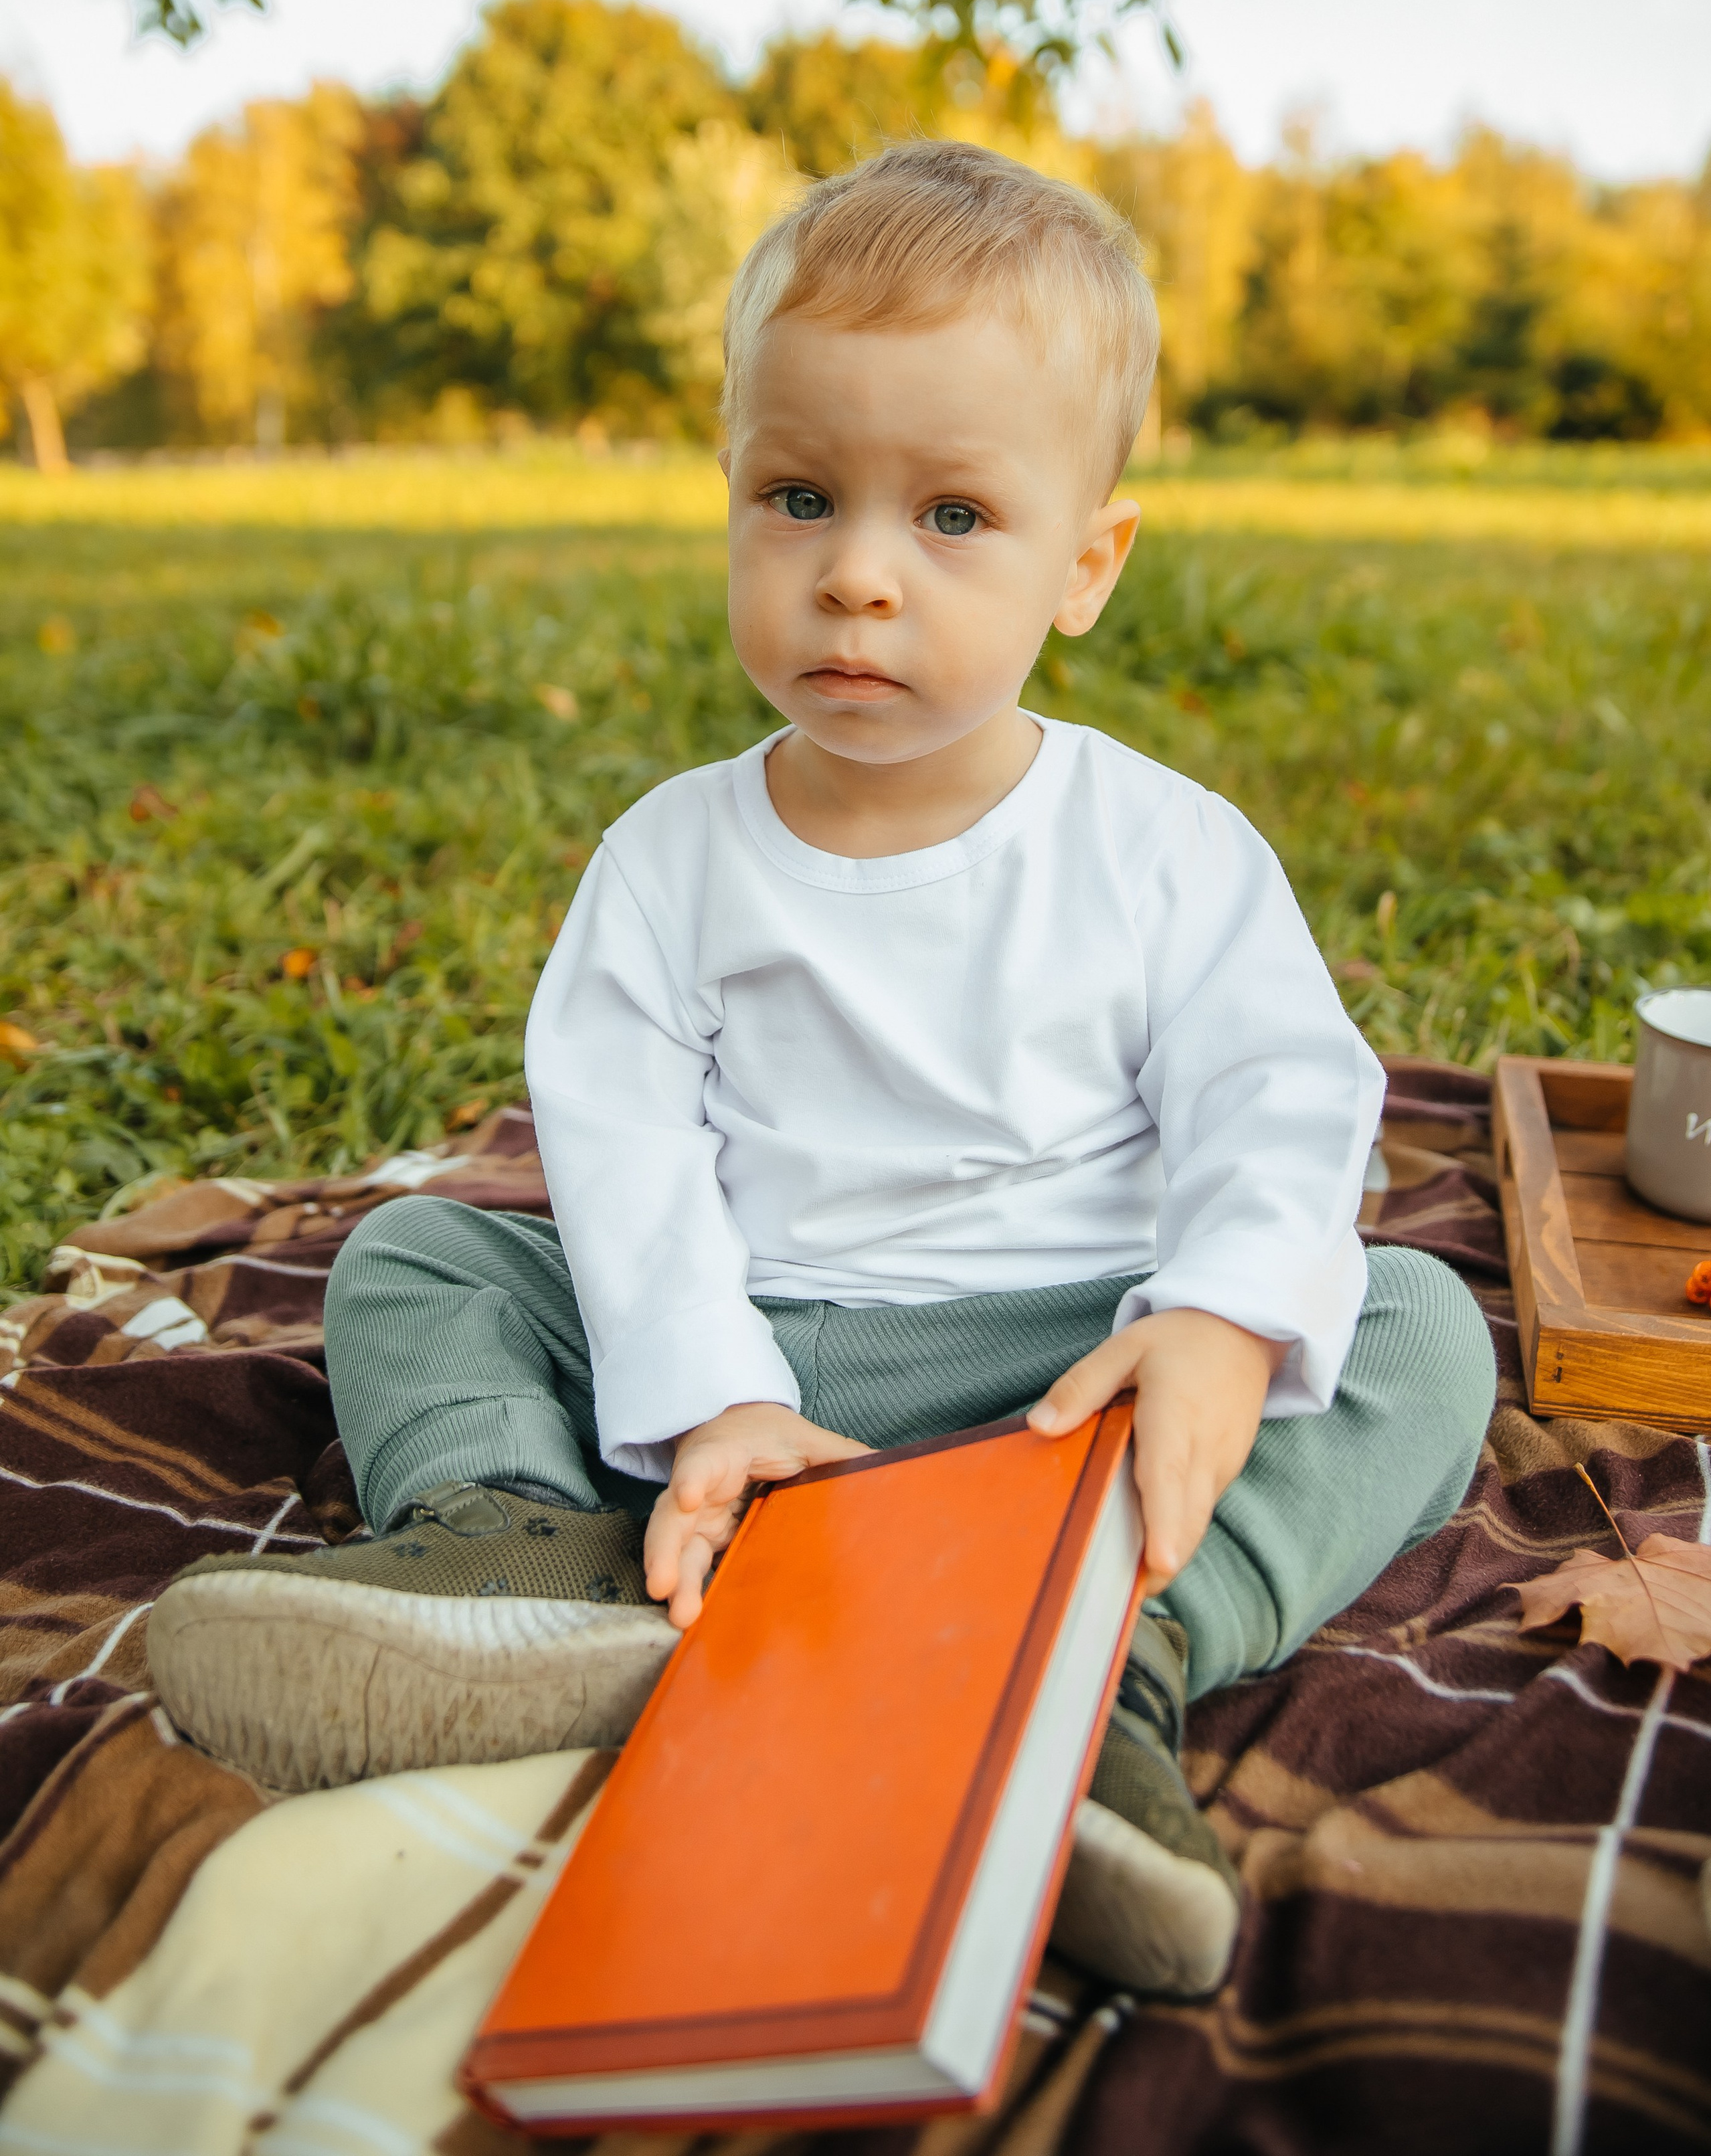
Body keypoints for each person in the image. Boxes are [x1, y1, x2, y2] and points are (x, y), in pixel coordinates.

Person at [149, 142, 1494, 1998]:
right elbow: (621, 1162)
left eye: (950, 517)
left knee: (1417, 1322)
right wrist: (711, 1392)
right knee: (422, 1261)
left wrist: (1216, 1314)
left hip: (1069, 1370)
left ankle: (1113, 1661)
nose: (857, 577)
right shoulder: (674, 859)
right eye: (800, 497)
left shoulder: (1166, 850)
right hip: (764, 1346)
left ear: (1085, 564)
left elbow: (1282, 1092)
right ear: (732, 506)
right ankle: (517, 1550)